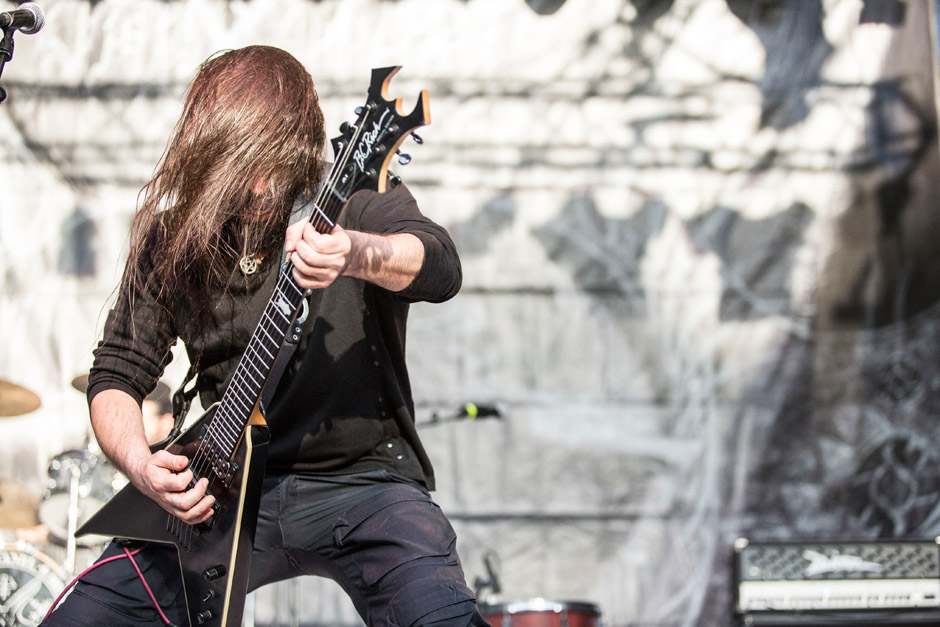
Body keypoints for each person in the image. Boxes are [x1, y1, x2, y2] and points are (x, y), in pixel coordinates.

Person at [42, 45, 486, 627]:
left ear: (298, 141)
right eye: (238, 160)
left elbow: (439, 265)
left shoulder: (354, 197)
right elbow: (116, 372)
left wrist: (357, 253)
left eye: (269, 159)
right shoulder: (175, 233)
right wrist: (141, 466)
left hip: (364, 481)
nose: (256, 182)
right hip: (220, 486)